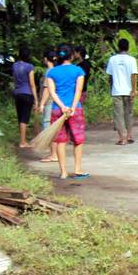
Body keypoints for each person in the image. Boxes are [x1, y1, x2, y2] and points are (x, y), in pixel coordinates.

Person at [45, 44, 89, 180]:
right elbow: (78, 91)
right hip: (75, 110)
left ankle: (63, 172)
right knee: (78, 140)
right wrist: (73, 107)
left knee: (60, 141)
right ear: (71, 56)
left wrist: (62, 106)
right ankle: (78, 169)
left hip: (57, 110)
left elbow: (52, 92)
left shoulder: (51, 72)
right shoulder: (78, 71)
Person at [105, 38, 138, 145]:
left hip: (116, 91)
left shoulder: (112, 59)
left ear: (118, 47)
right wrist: (133, 90)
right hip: (128, 91)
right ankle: (129, 135)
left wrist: (111, 88)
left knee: (118, 115)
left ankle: (122, 138)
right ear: (128, 47)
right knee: (128, 113)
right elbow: (134, 76)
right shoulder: (132, 60)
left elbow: (110, 77)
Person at [11, 46, 38, 148]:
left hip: (17, 93)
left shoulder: (14, 66)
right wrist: (36, 99)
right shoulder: (29, 67)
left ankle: (22, 139)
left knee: (20, 116)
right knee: (24, 118)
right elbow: (32, 84)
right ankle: (23, 142)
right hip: (27, 93)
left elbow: (14, 79)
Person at [36, 49, 59, 162]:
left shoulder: (49, 72)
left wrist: (42, 104)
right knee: (53, 128)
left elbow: (47, 90)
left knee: (48, 127)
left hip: (49, 102)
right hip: (56, 102)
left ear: (46, 59)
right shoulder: (56, 70)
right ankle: (54, 153)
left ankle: (53, 154)